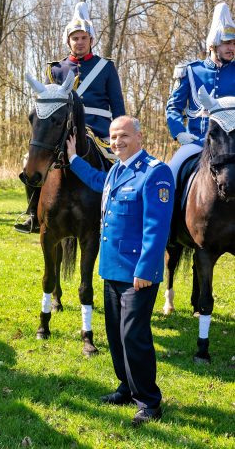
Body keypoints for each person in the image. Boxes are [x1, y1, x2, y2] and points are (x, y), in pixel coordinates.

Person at [66, 116, 174, 426]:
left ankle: (149, 402)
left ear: (139, 137)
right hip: (111, 268)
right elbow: (97, 181)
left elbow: (157, 228)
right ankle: (126, 388)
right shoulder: (116, 170)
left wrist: (146, 268)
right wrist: (73, 159)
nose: (117, 142)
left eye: (123, 135)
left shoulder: (155, 172)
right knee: (115, 334)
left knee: (133, 335)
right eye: (113, 137)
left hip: (138, 273)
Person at [15, 2, 125, 233]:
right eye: (75, 38)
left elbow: (118, 107)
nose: (79, 42)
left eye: (84, 38)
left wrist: (120, 136)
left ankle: (116, 214)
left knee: (119, 165)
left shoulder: (105, 67)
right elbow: (48, 109)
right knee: (30, 161)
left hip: (99, 132)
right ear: (68, 41)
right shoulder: (56, 70)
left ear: (91, 40)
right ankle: (33, 213)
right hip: (63, 131)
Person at [166, 2, 235, 182]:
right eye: (226, 43)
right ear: (213, 44)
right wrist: (179, 132)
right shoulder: (190, 71)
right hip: (196, 143)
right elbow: (173, 108)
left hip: (232, 145)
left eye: (234, 43)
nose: (232, 48)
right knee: (170, 173)